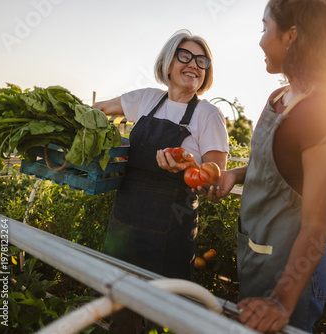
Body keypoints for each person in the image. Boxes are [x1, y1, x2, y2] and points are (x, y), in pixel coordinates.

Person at [205, 0, 326, 332]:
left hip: (296, 267)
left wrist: (281, 301)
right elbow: (272, 164)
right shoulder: (278, 98)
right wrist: (235, 174)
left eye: (264, 28)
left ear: (291, 36)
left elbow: (317, 224)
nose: (260, 40)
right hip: (261, 249)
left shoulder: (320, 113)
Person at [93, 29, 229, 333]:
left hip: (170, 232)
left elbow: (215, 176)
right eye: (185, 56)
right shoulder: (145, 99)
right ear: (168, 64)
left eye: (201, 60)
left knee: (164, 314)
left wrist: (190, 166)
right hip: (125, 223)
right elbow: (97, 111)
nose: (193, 64)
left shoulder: (209, 115)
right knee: (121, 310)